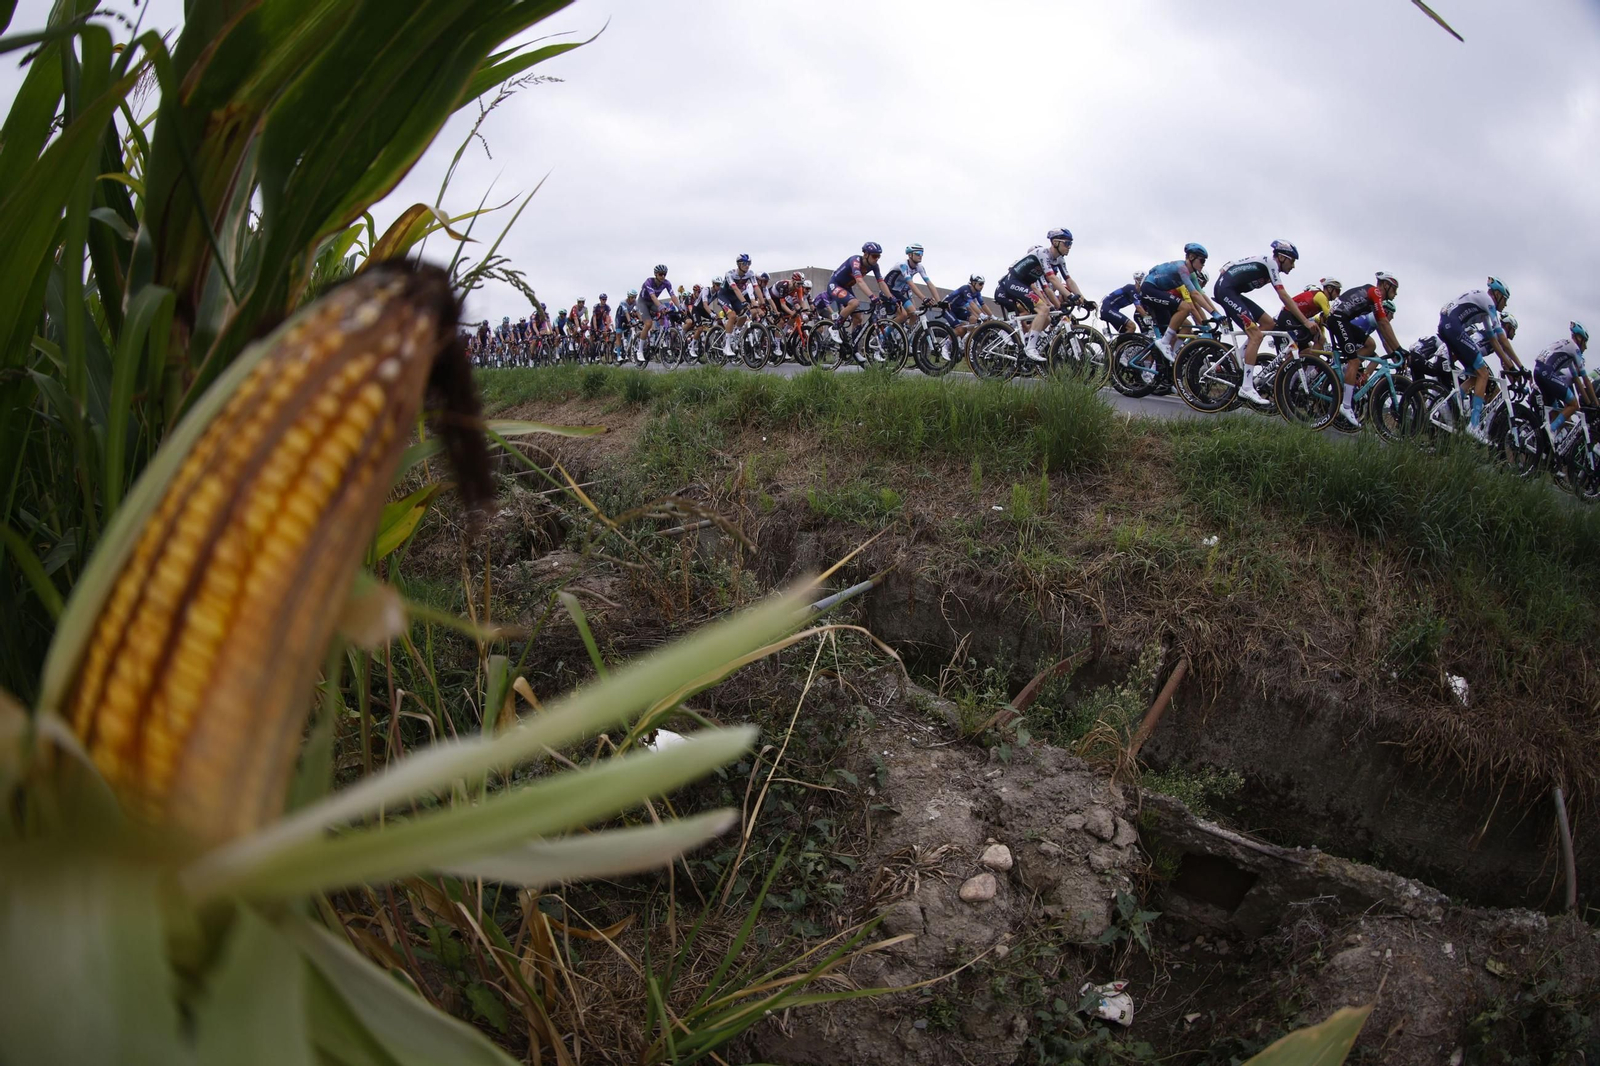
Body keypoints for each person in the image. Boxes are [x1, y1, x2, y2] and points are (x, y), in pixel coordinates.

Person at [1212, 240, 1318, 404]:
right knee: (1256, 335)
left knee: (1269, 323)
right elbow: (1283, 296)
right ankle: (1246, 387)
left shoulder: (1268, 266)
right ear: (1282, 257)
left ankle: (1237, 357)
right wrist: (1305, 321)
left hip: (1232, 291)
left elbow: (1235, 265)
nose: (1293, 266)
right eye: (1292, 261)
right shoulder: (1271, 263)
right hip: (1225, 290)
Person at [1438, 277, 1525, 443]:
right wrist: (1519, 366)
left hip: (1446, 324)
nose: (1505, 305)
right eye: (1505, 300)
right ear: (1497, 294)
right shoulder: (1488, 302)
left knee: (1475, 375)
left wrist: (1511, 367)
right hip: (1454, 326)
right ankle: (1473, 425)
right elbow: (1502, 339)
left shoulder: (1483, 309)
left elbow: (1494, 342)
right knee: (1483, 374)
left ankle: (1448, 403)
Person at [1324, 272, 1403, 426]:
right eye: (1394, 289)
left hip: (1342, 319)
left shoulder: (1373, 293)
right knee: (1354, 361)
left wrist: (1396, 351)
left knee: (1370, 345)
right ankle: (1346, 406)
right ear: (1386, 285)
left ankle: (1346, 369)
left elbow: (1384, 333)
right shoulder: (1376, 293)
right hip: (1339, 318)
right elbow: (1384, 325)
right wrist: (1399, 349)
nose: (1396, 293)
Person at [993, 228, 1080, 362]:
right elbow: (1052, 279)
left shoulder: (1059, 260)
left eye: (1071, 244)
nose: (1069, 247)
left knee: (1048, 318)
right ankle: (1030, 348)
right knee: (1043, 309)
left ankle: (1027, 339)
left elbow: (1069, 280)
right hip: (1013, 282)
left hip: (1024, 285)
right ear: (1056, 242)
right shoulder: (1042, 254)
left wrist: (1082, 298)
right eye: (1067, 243)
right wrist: (1069, 296)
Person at [1139, 243, 1219, 361]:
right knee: (1185, 308)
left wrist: (1216, 313)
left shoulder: (1191, 274)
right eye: (1202, 261)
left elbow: (1201, 294)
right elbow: (1194, 295)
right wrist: (1211, 317)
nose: (1203, 264)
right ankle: (1164, 344)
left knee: (1186, 326)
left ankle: (1169, 355)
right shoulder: (1182, 269)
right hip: (1149, 289)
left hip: (1159, 293)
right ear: (1191, 257)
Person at [1533, 321, 1593, 445]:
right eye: (1585, 342)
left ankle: (1545, 443)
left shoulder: (1566, 348)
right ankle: (1550, 431)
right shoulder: (1574, 348)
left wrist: (1588, 403)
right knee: (1573, 405)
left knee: (1554, 412)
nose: (1585, 347)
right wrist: (1595, 406)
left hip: (1538, 371)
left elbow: (1577, 382)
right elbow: (1585, 380)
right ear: (1579, 338)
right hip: (1546, 372)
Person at [827, 241, 893, 329]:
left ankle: (854, 341)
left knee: (858, 318)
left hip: (846, 287)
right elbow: (859, 281)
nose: (876, 259)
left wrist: (891, 298)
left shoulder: (874, 266)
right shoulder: (855, 261)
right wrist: (872, 297)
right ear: (866, 254)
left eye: (878, 256)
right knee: (854, 303)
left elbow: (881, 282)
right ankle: (834, 328)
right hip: (835, 285)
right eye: (874, 256)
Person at [885, 243, 939, 327]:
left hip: (897, 293)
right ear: (910, 255)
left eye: (922, 254)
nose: (920, 256)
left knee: (914, 314)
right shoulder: (903, 265)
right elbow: (910, 283)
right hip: (887, 291)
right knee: (903, 315)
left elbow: (929, 284)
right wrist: (924, 299)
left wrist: (939, 302)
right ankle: (882, 335)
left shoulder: (919, 267)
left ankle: (905, 334)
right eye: (918, 254)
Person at [719, 254, 761, 354]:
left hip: (735, 297)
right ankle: (727, 346)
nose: (747, 266)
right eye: (745, 264)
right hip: (724, 296)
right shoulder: (730, 274)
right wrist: (744, 302)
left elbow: (756, 287)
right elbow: (735, 289)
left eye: (749, 263)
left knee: (745, 313)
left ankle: (736, 331)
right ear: (739, 264)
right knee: (732, 316)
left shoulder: (750, 273)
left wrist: (762, 303)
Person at [638, 265, 679, 351]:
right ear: (656, 274)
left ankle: (661, 335)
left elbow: (673, 296)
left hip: (653, 302)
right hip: (643, 302)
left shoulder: (666, 283)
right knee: (648, 324)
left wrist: (680, 308)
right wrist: (660, 307)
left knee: (666, 312)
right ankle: (640, 350)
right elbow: (653, 296)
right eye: (660, 274)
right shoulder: (649, 281)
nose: (663, 276)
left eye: (665, 274)